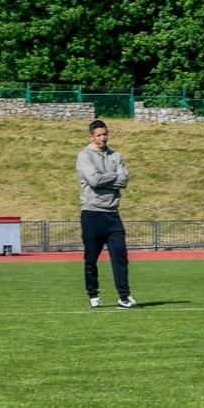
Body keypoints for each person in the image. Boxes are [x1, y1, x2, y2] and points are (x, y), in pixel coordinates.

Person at [77, 119, 135, 308]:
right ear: (91, 136)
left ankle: (124, 297)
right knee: (91, 259)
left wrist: (106, 179)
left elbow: (124, 180)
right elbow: (93, 180)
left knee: (120, 257)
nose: (103, 138)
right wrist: (113, 177)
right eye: (99, 135)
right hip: (91, 214)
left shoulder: (115, 156)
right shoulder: (84, 156)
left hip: (112, 214)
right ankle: (93, 294)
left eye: (105, 134)